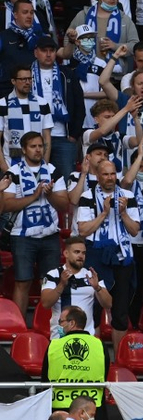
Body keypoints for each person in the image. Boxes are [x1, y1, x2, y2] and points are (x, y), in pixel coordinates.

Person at [4, 131, 67, 318]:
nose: (38, 150)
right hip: (22, 236)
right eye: (33, 146)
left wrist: (49, 195)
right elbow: (6, 204)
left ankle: (50, 327)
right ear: (24, 149)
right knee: (22, 282)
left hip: (49, 235)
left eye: (40, 146)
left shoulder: (53, 170)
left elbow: (64, 204)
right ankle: (20, 326)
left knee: (50, 283)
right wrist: (33, 196)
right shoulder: (13, 172)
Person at [76, 161, 139, 346]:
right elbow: (83, 230)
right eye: (105, 174)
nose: (110, 178)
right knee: (93, 307)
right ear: (97, 176)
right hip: (96, 254)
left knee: (120, 310)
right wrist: (104, 213)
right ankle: (96, 355)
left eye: (113, 174)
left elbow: (135, 230)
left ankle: (119, 361)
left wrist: (124, 213)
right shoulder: (87, 196)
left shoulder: (128, 196)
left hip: (122, 256)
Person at [31, 35, 84, 178]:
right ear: (36, 52)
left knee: (66, 180)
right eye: (44, 50)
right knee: (33, 178)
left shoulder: (67, 73)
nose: (48, 54)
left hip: (63, 137)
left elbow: (79, 105)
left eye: (52, 50)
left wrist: (73, 135)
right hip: (34, 137)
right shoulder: (27, 74)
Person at [40, 237, 112, 337]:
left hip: (87, 337)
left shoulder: (92, 275)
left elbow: (108, 304)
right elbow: (46, 303)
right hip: (60, 337)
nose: (81, 256)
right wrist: (61, 285)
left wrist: (97, 288)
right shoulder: (53, 275)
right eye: (77, 252)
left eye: (83, 253)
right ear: (66, 254)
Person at [0, 63, 52, 171]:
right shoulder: (2, 104)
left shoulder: (42, 103)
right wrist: (5, 167)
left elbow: (47, 137)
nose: (27, 82)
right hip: (11, 163)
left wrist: (45, 165)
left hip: (37, 164)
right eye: (23, 79)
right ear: (13, 81)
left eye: (29, 79)